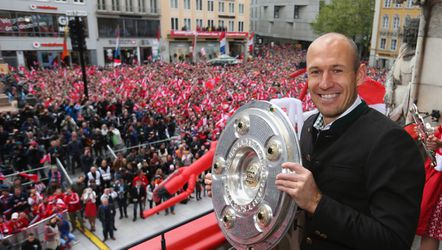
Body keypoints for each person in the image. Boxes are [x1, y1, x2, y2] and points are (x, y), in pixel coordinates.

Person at [205, 33, 425, 250]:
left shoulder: (392, 142)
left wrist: (316, 203)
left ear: (359, 75)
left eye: (337, 70)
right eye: (316, 72)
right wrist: (230, 185)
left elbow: (394, 241)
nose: (325, 83)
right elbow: (286, 189)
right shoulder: (308, 125)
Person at [417, 125, 442, 250]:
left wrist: (440, 144)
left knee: (431, 231)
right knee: (430, 231)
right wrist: (428, 136)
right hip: (437, 182)